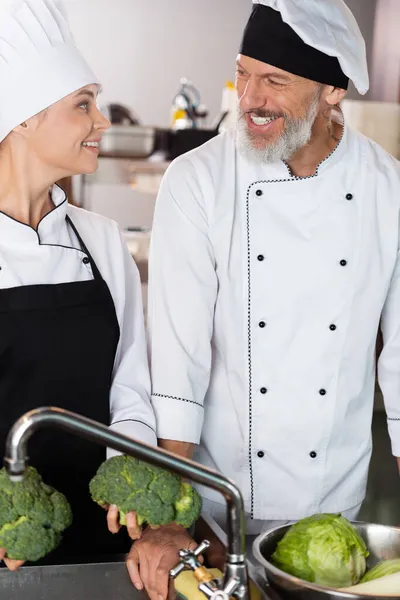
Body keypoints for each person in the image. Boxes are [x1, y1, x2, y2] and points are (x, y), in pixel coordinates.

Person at [126, 0, 400, 598]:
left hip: (336, 508)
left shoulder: (388, 190)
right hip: (218, 503)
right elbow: (179, 359)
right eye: (243, 73)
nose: (248, 98)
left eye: (274, 81)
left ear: (332, 89)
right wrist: (173, 515)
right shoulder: (198, 180)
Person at [0, 0, 156, 569]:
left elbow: (131, 385)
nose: (103, 122)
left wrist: (130, 469)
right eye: (82, 105)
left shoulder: (103, 239)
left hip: (105, 539)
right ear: (21, 117)